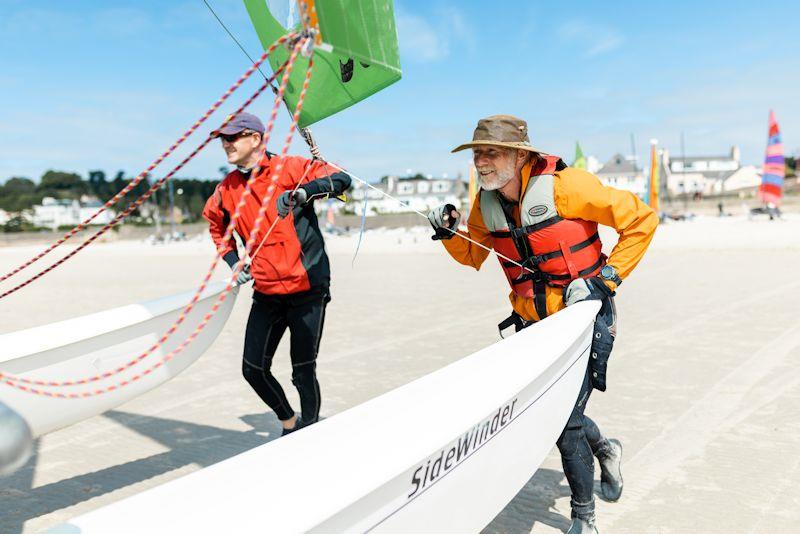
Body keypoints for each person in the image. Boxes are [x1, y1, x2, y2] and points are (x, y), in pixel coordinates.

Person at [427, 115, 658, 533]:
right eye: (477, 152)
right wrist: (447, 234)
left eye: (490, 152)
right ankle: (606, 449)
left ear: (519, 155)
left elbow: (642, 220)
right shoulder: (486, 201)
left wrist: (606, 279)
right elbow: (473, 255)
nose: (480, 162)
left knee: (564, 418)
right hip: (534, 326)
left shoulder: (568, 187)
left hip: (585, 320)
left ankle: (583, 518)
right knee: (558, 410)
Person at [202, 112, 351, 436]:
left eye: (232, 137)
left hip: (307, 286)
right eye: (222, 139)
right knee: (253, 369)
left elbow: (341, 179)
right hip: (267, 292)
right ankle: (289, 423)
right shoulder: (226, 189)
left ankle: (309, 431)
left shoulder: (290, 167)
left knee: (302, 371)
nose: (225, 144)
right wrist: (233, 261)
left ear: (255, 139)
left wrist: (303, 193)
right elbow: (217, 226)